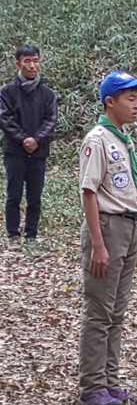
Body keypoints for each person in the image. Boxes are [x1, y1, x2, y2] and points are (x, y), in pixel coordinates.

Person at [78, 71, 137, 405]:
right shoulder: (97, 139)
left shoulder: (122, 137)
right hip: (108, 228)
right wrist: (97, 243)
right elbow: (89, 192)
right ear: (110, 102)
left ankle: (109, 381)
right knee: (100, 310)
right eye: (130, 99)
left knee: (117, 311)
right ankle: (92, 387)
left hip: (130, 225)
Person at [0, 44, 58, 250]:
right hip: (14, 151)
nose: (32, 65)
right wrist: (24, 139)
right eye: (27, 61)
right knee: (14, 194)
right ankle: (13, 235)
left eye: (35, 60)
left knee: (35, 196)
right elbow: (4, 119)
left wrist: (37, 139)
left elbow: (51, 120)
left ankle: (31, 235)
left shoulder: (47, 93)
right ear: (18, 63)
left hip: (39, 152)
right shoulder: (7, 92)